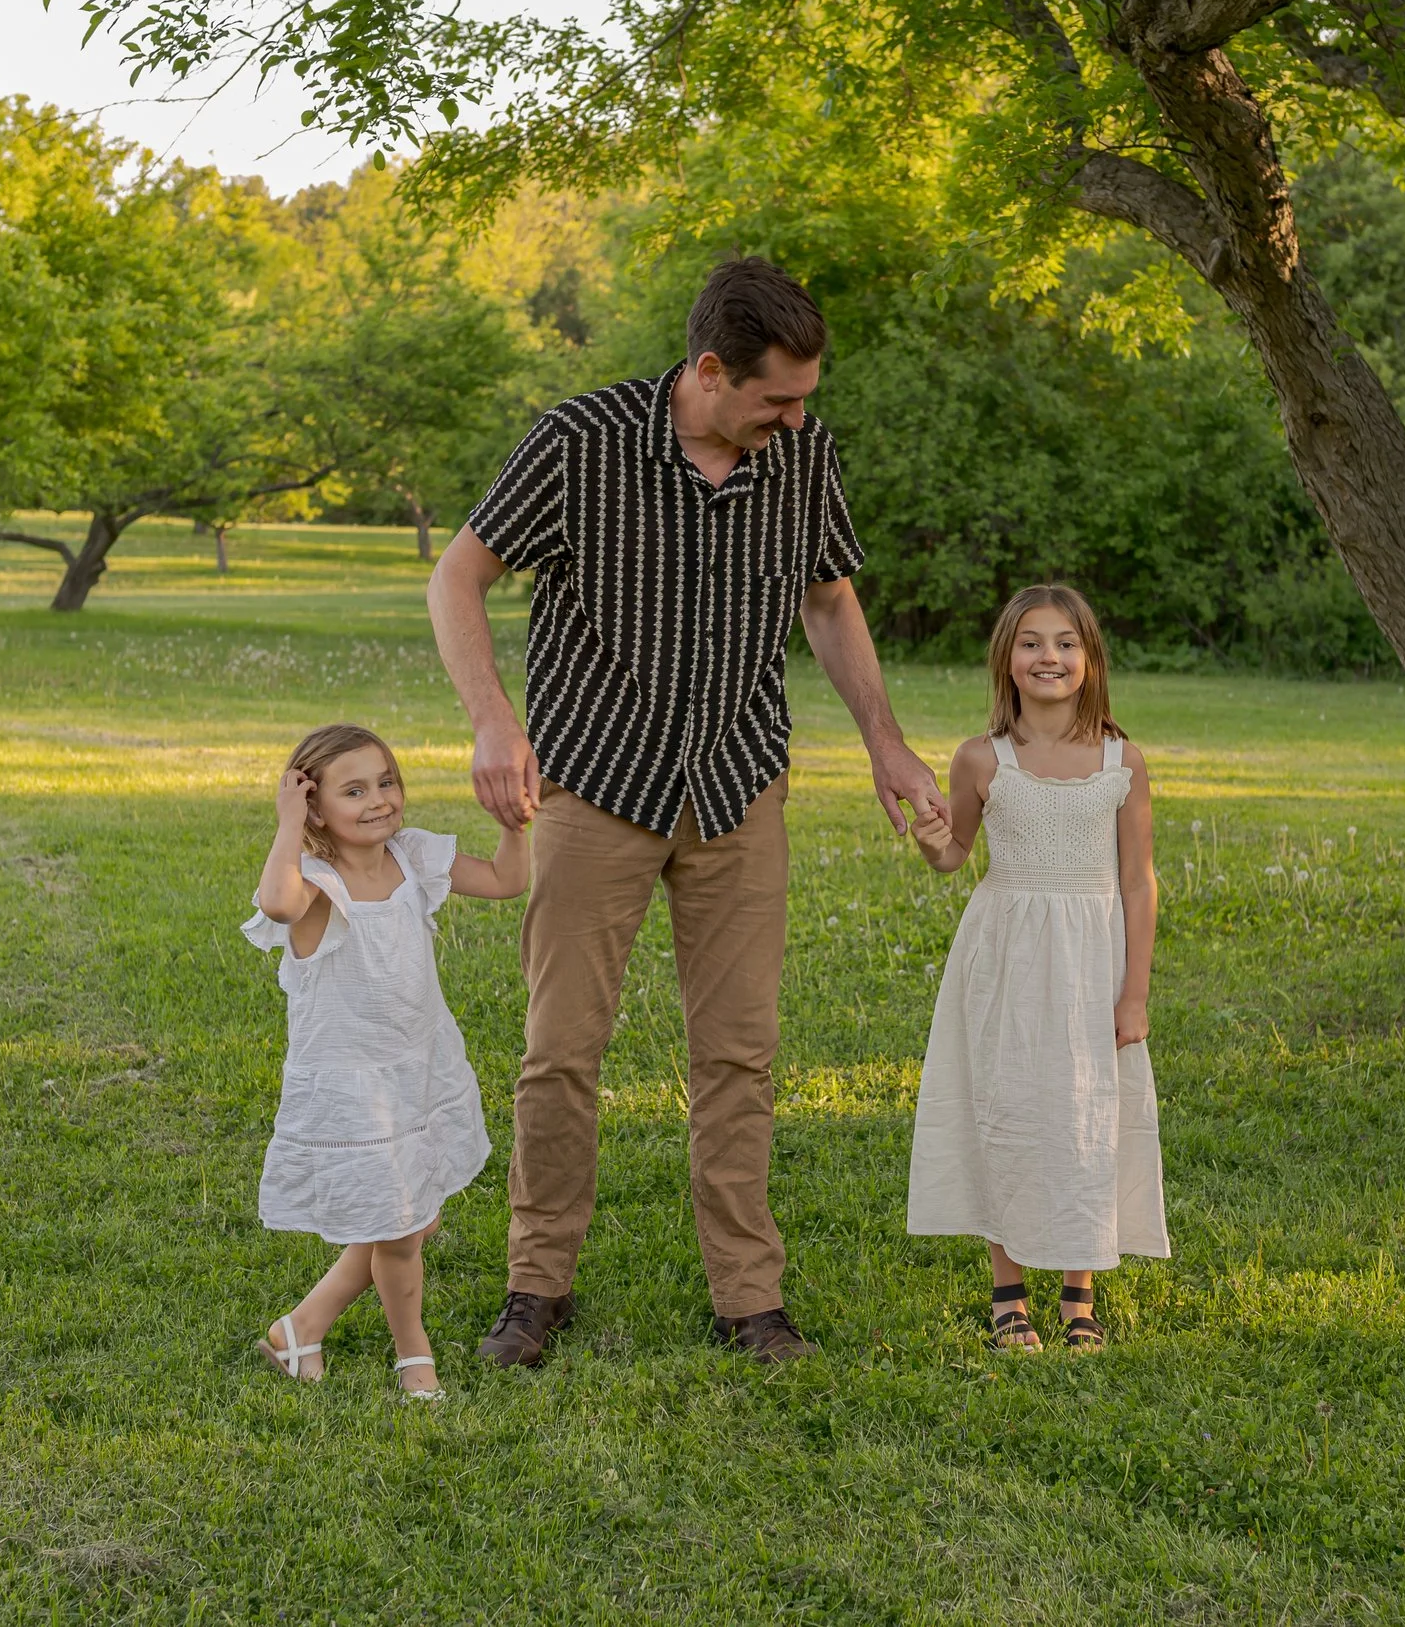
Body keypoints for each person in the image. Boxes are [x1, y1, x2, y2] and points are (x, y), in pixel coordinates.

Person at [427, 256, 943, 1367]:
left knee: (739, 1056)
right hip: (595, 781)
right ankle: (535, 1288)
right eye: (777, 397)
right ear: (710, 371)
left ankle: (749, 1298)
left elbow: (827, 595)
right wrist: (489, 718)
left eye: (805, 397)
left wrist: (885, 742)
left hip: (738, 783)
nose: (798, 417)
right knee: (561, 1050)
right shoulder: (580, 442)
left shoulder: (799, 453)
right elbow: (455, 575)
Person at [904, 584, 1170, 1352]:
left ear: (1088, 660)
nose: (1047, 656)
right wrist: (928, 837)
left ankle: (1079, 1293)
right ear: (1006, 659)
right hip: (1008, 958)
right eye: (1030, 642)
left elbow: (1136, 881)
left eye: (1064, 643)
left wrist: (1135, 992)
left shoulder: (1123, 761)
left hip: (1094, 959)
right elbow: (952, 854)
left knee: (1085, 1114)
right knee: (1012, 1108)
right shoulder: (982, 758)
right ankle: (1009, 1291)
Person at [243, 723, 529, 1397]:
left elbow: (506, 880)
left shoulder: (414, 855)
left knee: (407, 1217)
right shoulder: (315, 881)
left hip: (417, 1066)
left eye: (386, 781)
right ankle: (414, 1354)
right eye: (353, 790)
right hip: (354, 1085)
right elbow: (275, 903)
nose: (378, 800)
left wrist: (513, 825)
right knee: (400, 1230)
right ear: (314, 806)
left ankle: (299, 1328)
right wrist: (287, 825)